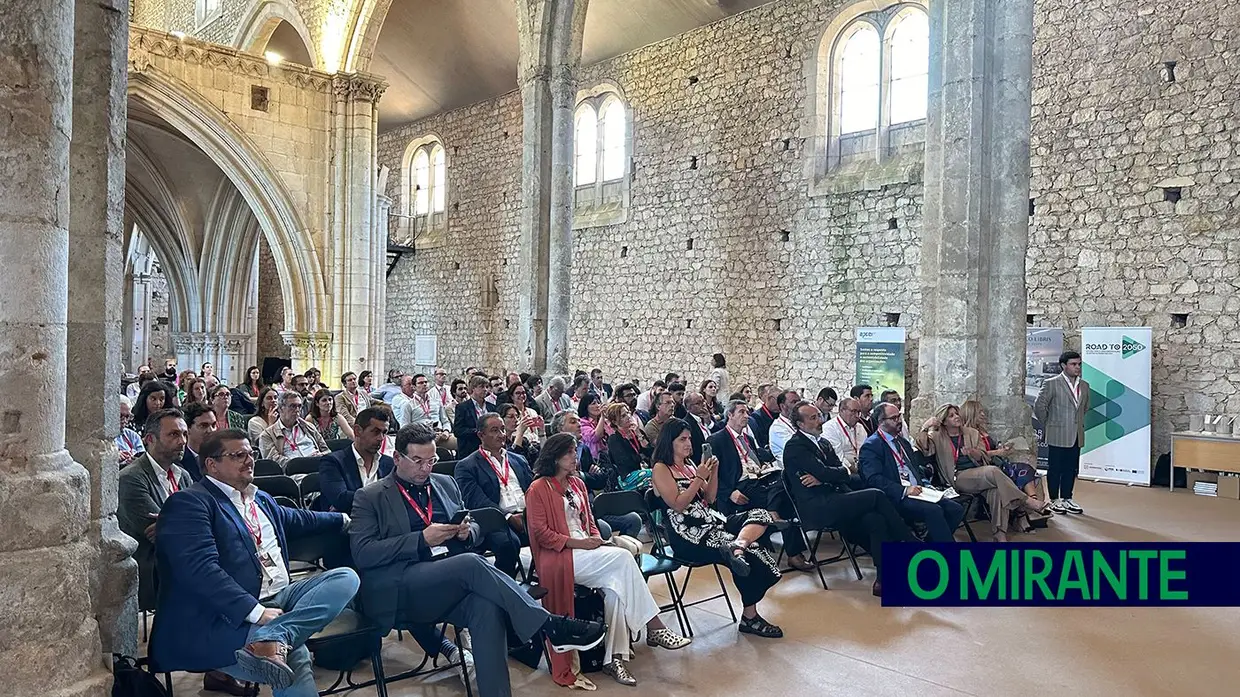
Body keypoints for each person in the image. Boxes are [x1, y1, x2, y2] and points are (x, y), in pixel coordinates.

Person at [349, 423, 607, 697]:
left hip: (450, 580)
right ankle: (548, 624)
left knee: (486, 607)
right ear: (397, 458)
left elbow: (474, 529)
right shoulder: (370, 496)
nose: (426, 468)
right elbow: (364, 553)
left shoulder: (445, 484)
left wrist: (464, 533)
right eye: (418, 461)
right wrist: (421, 540)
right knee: (471, 563)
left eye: (432, 460)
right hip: (401, 586)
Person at [149, 429, 358, 697]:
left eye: (251, 454)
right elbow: (200, 571)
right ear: (211, 465)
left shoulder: (259, 498)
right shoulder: (190, 503)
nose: (249, 460)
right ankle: (273, 640)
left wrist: (345, 518)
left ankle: (274, 637)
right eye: (238, 455)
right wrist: (256, 612)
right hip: (227, 615)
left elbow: (302, 519)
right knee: (294, 656)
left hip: (281, 598)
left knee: (345, 578)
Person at [527, 433, 690, 688]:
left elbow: (590, 522)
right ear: (554, 457)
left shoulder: (578, 484)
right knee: (625, 558)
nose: (574, 457)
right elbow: (541, 534)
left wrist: (594, 539)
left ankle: (613, 658)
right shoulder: (538, 488)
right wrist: (580, 543)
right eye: (569, 453)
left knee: (615, 591)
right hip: (560, 555)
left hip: (587, 551)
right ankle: (654, 625)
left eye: (574, 451)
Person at [651, 419, 783, 638]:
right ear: (669, 442)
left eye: (689, 438)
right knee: (750, 554)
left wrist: (713, 473)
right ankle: (750, 617)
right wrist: (700, 477)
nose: (688, 443)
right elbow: (678, 503)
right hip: (687, 534)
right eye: (682, 439)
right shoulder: (661, 468)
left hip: (711, 522)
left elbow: (710, 498)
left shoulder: (691, 465)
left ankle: (739, 545)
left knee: (760, 515)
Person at [782, 401, 914, 596]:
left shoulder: (823, 442)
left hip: (836, 497)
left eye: (819, 415)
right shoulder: (795, 447)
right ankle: (910, 542)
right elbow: (827, 472)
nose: (819, 420)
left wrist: (828, 476)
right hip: (818, 507)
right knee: (876, 495)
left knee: (875, 519)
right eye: (813, 418)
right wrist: (829, 475)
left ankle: (883, 580)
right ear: (800, 425)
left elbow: (840, 471)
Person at [915, 404, 1053, 542]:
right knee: (993, 471)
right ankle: (1027, 501)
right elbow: (924, 447)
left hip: (978, 473)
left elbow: (984, 456)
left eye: (956, 413)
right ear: (944, 421)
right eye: (951, 416)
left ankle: (1000, 534)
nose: (956, 417)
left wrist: (975, 454)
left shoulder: (971, 433)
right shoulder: (937, 436)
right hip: (958, 477)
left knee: (997, 492)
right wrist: (925, 426)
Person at [708, 401, 812, 571]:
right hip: (740, 485)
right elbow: (712, 474)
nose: (746, 416)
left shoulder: (747, 438)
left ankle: (774, 513)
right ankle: (794, 554)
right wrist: (729, 493)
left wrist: (763, 466)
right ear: (730, 415)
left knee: (784, 478)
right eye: (741, 412)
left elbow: (755, 459)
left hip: (758, 479)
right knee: (786, 502)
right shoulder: (717, 439)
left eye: (747, 412)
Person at [118, 409, 194, 616]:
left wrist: (172, 523)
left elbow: (199, 520)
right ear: (149, 439)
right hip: (152, 564)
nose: (182, 441)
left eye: (185, 434)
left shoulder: (183, 475)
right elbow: (161, 538)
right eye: (174, 434)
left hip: (184, 555)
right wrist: (188, 524)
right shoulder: (131, 478)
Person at [859, 402, 964, 542]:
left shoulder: (903, 442)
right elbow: (873, 479)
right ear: (881, 422)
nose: (899, 421)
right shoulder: (872, 446)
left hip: (919, 491)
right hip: (896, 495)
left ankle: (929, 545)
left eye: (899, 416)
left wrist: (926, 484)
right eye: (894, 418)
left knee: (956, 509)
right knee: (934, 511)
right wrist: (904, 490)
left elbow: (914, 469)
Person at [455, 413, 534, 578]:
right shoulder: (467, 466)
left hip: (529, 516)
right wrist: (508, 517)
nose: (501, 434)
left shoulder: (518, 460)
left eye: (503, 429)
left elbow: (533, 489)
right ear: (481, 435)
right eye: (494, 430)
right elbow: (476, 501)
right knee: (508, 543)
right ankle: (505, 587)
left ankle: (554, 582)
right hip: (495, 520)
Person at [1034, 350, 1088, 515]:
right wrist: (1050, 423)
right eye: (1073, 364)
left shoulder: (1084, 385)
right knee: (1055, 468)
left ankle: (1067, 498)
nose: (1077, 367)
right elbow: (1039, 406)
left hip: (1076, 433)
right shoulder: (1051, 383)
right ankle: (1055, 499)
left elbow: (1084, 408)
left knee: (1071, 468)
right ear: (1064, 365)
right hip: (1057, 432)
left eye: (1079, 364)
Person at [258, 391, 330, 466]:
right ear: (280, 409)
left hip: (318, 466)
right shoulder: (267, 435)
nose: (297, 410)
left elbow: (327, 451)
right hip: (294, 472)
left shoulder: (309, 427)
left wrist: (320, 456)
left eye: (299, 406)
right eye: (293, 406)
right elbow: (274, 462)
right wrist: (306, 462)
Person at [821, 397, 867, 472]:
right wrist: (855, 470)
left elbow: (866, 451)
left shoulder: (860, 427)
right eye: (853, 411)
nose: (857, 416)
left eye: (859, 412)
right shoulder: (829, 428)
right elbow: (838, 457)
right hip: (844, 471)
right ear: (842, 410)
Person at [453, 375, 495, 456]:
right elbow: (458, 430)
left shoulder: (492, 407)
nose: (485, 389)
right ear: (473, 388)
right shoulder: (463, 407)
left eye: (486, 387)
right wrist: (477, 431)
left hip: (490, 448)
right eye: (481, 387)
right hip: (471, 449)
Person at [181, 401, 218, 482]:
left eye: (213, 425)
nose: (211, 430)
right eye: (204, 426)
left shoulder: (224, 457)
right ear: (188, 428)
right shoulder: (179, 461)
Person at [767, 389, 801, 465]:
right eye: (794, 402)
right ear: (783, 406)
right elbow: (796, 449)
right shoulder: (777, 428)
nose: (799, 405)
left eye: (799, 401)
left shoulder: (800, 422)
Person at [576, 392, 607, 460]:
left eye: (598, 403)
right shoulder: (582, 423)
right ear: (585, 407)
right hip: (594, 459)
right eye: (593, 403)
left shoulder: (602, 420)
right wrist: (602, 416)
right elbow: (595, 437)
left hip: (607, 455)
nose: (597, 406)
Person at [748, 384, 780, 448]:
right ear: (770, 399)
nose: (783, 403)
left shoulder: (783, 414)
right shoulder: (756, 417)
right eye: (780, 400)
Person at [116, 395, 145, 465]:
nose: (124, 420)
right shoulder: (103, 438)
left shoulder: (133, 436)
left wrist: (136, 461)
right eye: (120, 416)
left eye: (127, 416)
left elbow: (143, 458)